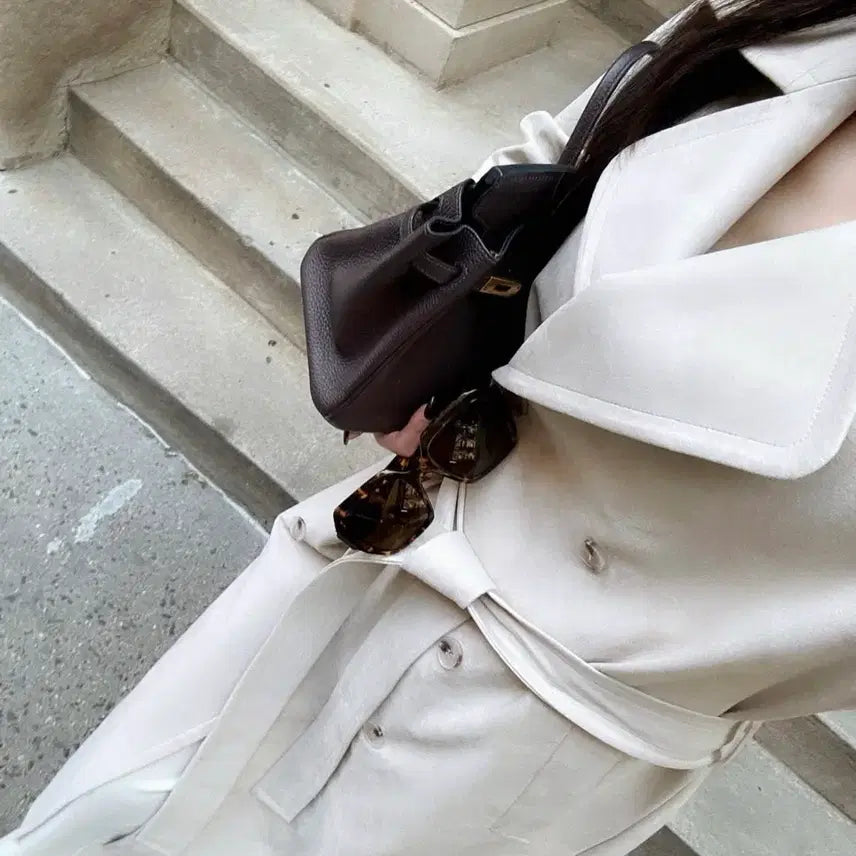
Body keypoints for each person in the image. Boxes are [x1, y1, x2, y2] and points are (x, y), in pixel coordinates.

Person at [3, 1, 856, 854]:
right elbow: (560, 155)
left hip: (524, 740)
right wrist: (433, 337)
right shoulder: (804, 22)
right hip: (402, 521)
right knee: (123, 809)